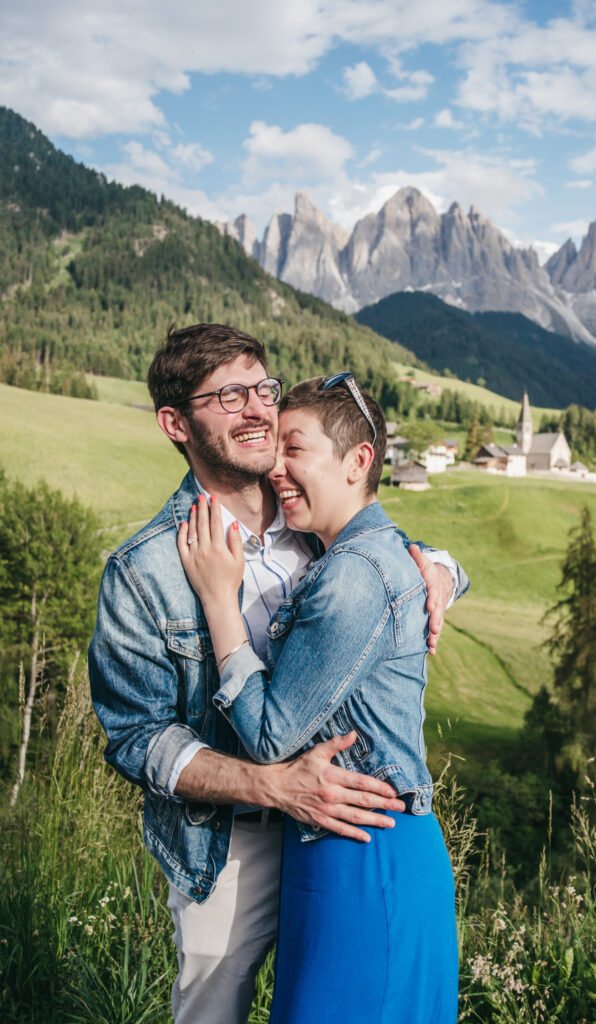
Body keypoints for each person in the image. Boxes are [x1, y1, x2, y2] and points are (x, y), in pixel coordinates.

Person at [88, 323, 467, 1024]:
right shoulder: (143, 569)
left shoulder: (310, 515)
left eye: (261, 387)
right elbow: (135, 736)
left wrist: (441, 568)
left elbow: (382, 561)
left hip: (338, 835)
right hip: (227, 844)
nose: (259, 409)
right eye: (229, 397)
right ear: (176, 423)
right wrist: (269, 783)